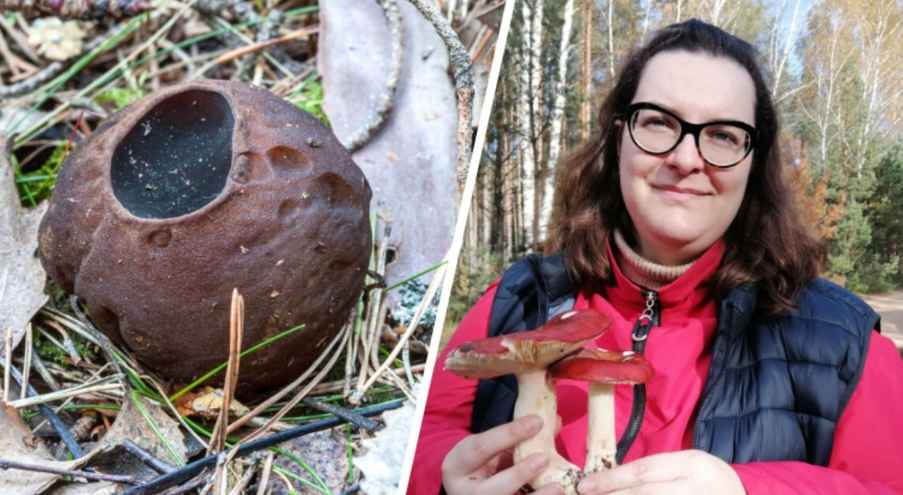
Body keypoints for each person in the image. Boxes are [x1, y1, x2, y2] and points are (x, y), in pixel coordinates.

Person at [408, 19, 903, 495]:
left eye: (723, 135)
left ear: (754, 165)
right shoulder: (518, 299)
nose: (686, 159)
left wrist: (748, 489)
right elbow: (423, 432)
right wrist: (442, 476)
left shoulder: (844, 341)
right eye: (659, 123)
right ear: (618, 138)